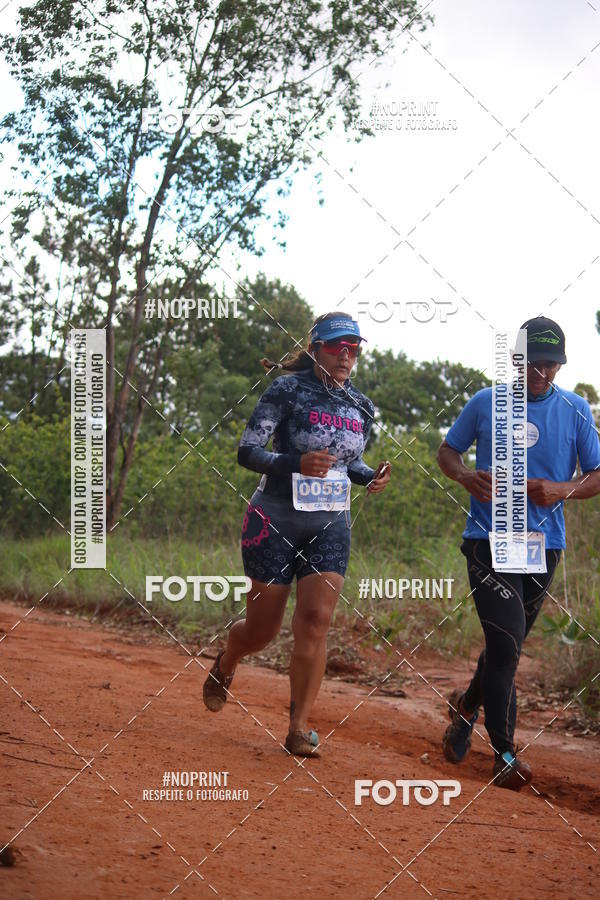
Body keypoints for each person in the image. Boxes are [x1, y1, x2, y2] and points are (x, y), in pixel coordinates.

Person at [202, 311, 391, 756]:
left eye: (354, 348)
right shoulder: (287, 389)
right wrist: (295, 463)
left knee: (316, 621)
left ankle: (298, 728)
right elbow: (248, 452)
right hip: (275, 517)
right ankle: (229, 658)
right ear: (316, 349)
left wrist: (370, 477)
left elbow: (348, 463)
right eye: (336, 347)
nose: (346, 355)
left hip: (329, 523)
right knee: (262, 632)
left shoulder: (361, 405)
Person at [437, 316, 600, 790]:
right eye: (535, 364)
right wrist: (465, 476)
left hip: (544, 546)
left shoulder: (575, 410)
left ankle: (467, 706)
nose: (543, 374)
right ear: (517, 361)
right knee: (506, 644)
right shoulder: (486, 403)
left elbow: (596, 474)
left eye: (552, 365)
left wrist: (562, 489)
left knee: (506, 644)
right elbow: (448, 452)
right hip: (488, 539)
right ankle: (505, 753)